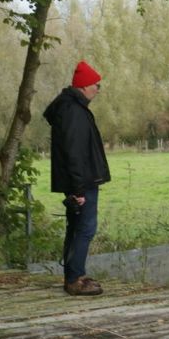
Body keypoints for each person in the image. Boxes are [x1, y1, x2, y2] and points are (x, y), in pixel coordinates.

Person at [43, 60, 111, 296]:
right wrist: (78, 189)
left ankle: (75, 275)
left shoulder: (70, 108)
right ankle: (75, 279)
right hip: (82, 181)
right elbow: (75, 153)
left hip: (79, 180)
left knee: (76, 227)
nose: (98, 89)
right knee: (85, 228)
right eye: (96, 85)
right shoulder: (74, 111)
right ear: (84, 86)